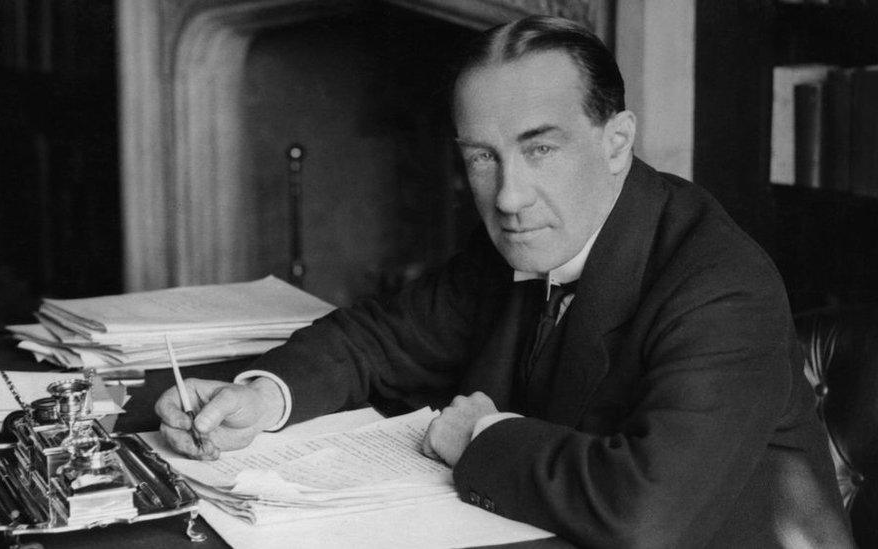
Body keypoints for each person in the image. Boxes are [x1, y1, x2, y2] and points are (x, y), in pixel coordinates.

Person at [155, 16, 853, 548]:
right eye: (482, 158)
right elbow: (377, 338)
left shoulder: (720, 284)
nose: (509, 195)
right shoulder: (521, 240)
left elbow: (648, 510)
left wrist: (481, 435)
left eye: (539, 149)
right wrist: (262, 395)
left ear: (616, 142)